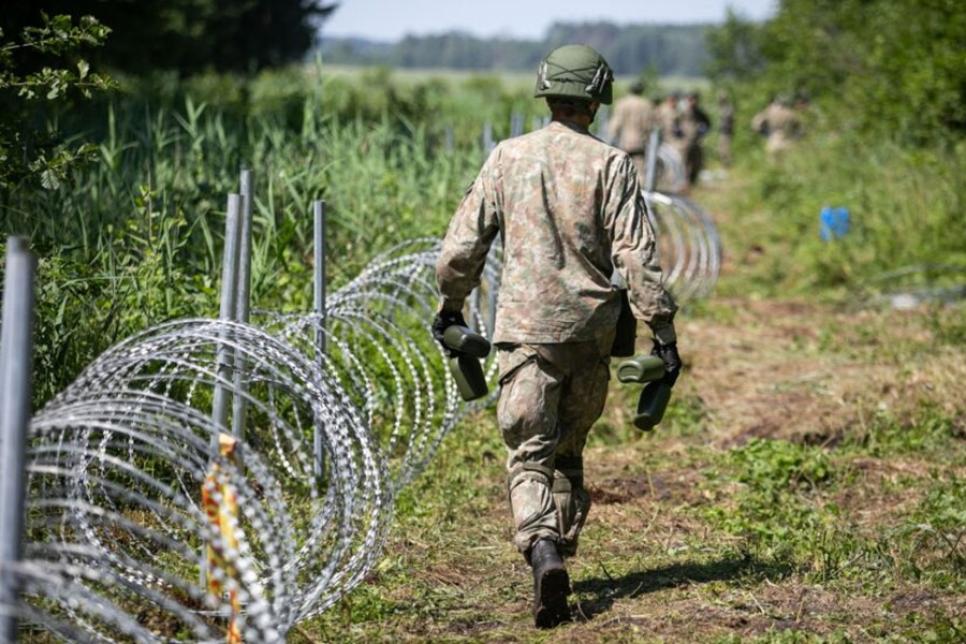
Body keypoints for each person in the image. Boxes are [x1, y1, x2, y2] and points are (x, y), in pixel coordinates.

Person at [433, 44, 681, 629]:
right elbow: (638, 260)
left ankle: (543, 551)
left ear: (546, 92)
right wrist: (663, 333)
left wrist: (451, 305)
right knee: (568, 455)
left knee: (529, 455)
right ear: (598, 98)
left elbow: (461, 250)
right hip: (592, 334)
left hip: (524, 331)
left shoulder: (507, 157)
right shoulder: (613, 165)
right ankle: (560, 556)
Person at [606, 79, 657, 179]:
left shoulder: (622, 103)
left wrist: (610, 140)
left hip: (623, 143)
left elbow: (615, 124)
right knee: (639, 174)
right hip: (640, 143)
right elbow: (650, 126)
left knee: (621, 172)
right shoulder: (646, 105)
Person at [751, 94, 803, 161]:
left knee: (773, 168)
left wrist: (766, 134)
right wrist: (795, 138)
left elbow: (755, 124)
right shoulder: (791, 113)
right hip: (788, 142)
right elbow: (801, 129)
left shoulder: (769, 111)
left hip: (773, 141)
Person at [677, 92, 711, 186]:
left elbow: (708, 123)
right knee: (684, 162)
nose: (693, 102)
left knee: (696, 163)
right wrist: (679, 133)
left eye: (695, 100)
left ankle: (693, 182)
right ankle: (683, 182)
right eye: (691, 99)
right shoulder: (683, 112)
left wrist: (703, 131)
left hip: (696, 141)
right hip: (685, 142)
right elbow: (675, 124)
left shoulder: (700, 113)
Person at [717, 91, 735, 166]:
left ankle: (727, 163)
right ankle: (724, 163)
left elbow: (729, 118)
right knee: (720, 148)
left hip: (727, 131)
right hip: (723, 131)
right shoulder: (722, 107)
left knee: (726, 149)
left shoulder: (728, 108)